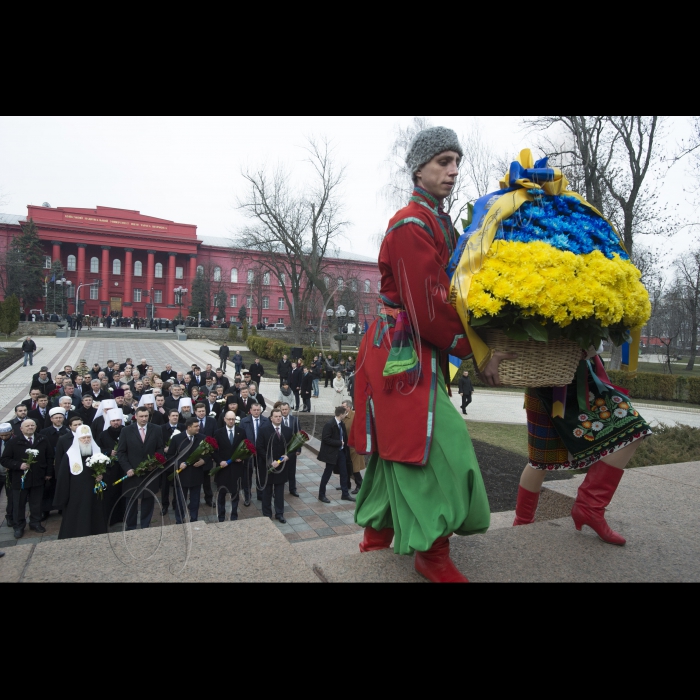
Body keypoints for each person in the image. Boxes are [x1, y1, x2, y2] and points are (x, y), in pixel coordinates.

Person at [350, 127, 502, 583]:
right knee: (436, 444)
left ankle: (377, 535)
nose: (453, 170)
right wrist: (477, 351)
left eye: (456, 161)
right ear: (418, 167)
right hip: (402, 350)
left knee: (398, 443)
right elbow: (428, 305)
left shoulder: (438, 221)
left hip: (412, 348)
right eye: (442, 161)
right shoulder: (410, 225)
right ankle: (431, 555)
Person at [54, 425, 108, 540]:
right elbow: (63, 477)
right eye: (83, 438)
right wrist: (63, 497)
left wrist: (102, 475)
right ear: (77, 439)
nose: (86, 440)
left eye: (88, 437)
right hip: (77, 494)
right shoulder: (70, 455)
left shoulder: (97, 452)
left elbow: (106, 469)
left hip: (94, 493)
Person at [0, 419, 51, 539]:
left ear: (36, 427)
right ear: (21, 429)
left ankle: (35, 522)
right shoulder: (14, 442)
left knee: (36, 502)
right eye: (27, 426)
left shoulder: (42, 439)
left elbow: (49, 457)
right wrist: (18, 465)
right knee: (19, 504)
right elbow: (4, 459)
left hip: (38, 477)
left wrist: (48, 473)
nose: (30, 427)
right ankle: (19, 526)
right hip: (19, 479)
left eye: (32, 425)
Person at [117, 406, 165, 531]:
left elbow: (160, 448)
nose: (144, 419)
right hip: (132, 472)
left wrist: (154, 463)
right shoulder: (126, 431)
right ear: (136, 417)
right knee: (131, 501)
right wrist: (127, 468)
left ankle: (145, 526)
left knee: (148, 500)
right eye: (141, 416)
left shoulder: (156, 429)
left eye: (146, 416)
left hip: (150, 471)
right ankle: (131, 526)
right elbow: (121, 452)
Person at [167, 417, 207, 524]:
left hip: (196, 474)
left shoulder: (202, 438)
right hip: (182, 475)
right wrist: (178, 463)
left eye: (198, 426)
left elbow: (208, 454)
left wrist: (203, 461)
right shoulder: (177, 438)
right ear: (189, 427)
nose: (198, 428)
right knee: (180, 500)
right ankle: (179, 520)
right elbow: (170, 456)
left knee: (195, 500)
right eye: (196, 426)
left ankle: (194, 519)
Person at [256, 408, 292, 523]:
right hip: (267, 467)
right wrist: (270, 461)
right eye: (276, 416)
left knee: (279, 492)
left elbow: (292, 448)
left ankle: (279, 513)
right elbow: (259, 447)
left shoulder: (287, 430)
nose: (278, 418)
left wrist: (286, 457)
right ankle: (267, 513)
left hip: (281, 467)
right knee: (267, 492)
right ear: (271, 418)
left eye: (280, 416)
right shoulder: (263, 430)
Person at [213, 411, 248, 522]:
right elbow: (213, 450)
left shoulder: (241, 432)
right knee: (222, 494)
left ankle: (234, 515)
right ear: (224, 419)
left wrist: (242, 457)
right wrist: (219, 461)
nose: (231, 421)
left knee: (235, 493)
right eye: (229, 419)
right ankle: (221, 516)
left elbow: (246, 447)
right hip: (223, 468)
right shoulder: (218, 433)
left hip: (236, 468)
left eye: (233, 419)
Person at [95, 409, 126, 526]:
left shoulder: (126, 431)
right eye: (113, 421)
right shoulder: (103, 434)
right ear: (109, 421)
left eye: (118, 420)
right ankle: (112, 518)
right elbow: (98, 449)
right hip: (110, 469)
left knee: (123, 492)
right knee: (111, 493)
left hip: (123, 467)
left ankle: (123, 516)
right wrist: (108, 452)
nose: (116, 423)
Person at [318, 407, 354, 504]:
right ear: (341, 414)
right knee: (327, 473)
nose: (346, 415)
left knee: (344, 473)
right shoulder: (330, 424)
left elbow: (344, 437)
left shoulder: (341, 423)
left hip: (341, 452)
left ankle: (345, 494)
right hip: (331, 454)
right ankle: (321, 495)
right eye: (345, 413)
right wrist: (339, 443)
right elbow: (325, 439)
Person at [39, 407, 69, 520]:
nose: (58, 420)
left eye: (60, 417)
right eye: (56, 418)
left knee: (62, 485)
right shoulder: (44, 432)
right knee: (48, 487)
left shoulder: (67, 431)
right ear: (51, 419)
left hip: (64, 463)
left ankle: (62, 507)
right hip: (49, 463)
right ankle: (46, 510)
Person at [240, 403, 269, 505]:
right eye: (254, 410)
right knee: (247, 476)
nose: (256, 412)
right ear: (250, 411)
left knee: (261, 475)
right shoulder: (244, 421)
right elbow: (241, 438)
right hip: (248, 454)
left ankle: (261, 494)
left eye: (258, 410)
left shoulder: (266, 421)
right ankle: (247, 497)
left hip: (261, 453)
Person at [194, 403, 217, 508]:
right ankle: (194, 500)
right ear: (195, 412)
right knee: (195, 481)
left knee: (207, 481)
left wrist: (211, 455)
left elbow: (215, 438)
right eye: (199, 411)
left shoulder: (212, 421)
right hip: (195, 456)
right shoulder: (191, 421)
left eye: (203, 411)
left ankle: (209, 499)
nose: (201, 413)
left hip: (208, 456)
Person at [342, 400, 364, 495]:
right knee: (346, 466)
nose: (342, 407)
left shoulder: (355, 415)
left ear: (349, 407)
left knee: (355, 467)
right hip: (345, 446)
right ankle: (347, 484)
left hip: (354, 446)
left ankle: (360, 485)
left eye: (344, 406)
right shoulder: (342, 416)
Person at [279, 404, 301, 497]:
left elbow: (299, 435)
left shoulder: (295, 420)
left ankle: (292, 489)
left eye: (286, 409)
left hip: (292, 451)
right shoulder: (277, 420)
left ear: (289, 409)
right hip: (280, 451)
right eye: (282, 409)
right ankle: (279, 489)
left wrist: (298, 449)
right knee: (280, 469)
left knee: (292, 470)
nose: (284, 411)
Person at [0, 424, 16, 542]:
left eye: (6, 435)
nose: (4, 437)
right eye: (1, 435)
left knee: (11, 496)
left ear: (11, 432)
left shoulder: (15, 441)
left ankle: (10, 516)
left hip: (10, 473)